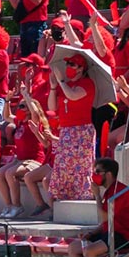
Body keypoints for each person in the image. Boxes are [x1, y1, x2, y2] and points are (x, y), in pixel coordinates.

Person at [47, 54, 96, 202]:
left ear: (81, 69)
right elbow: (52, 106)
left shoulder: (87, 83)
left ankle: (84, 194)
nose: (69, 67)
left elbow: (73, 96)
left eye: (73, 65)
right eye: (68, 64)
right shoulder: (65, 85)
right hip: (66, 130)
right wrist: (53, 87)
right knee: (63, 164)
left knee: (81, 164)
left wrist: (62, 81)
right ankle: (65, 194)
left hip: (82, 129)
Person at [0, 100, 47, 219]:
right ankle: (9, 205)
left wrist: (27, 97)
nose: (20, 108)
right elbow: (7, 116)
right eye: (19, 105)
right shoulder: (19, 122)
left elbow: (36, 113)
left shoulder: (33, 122)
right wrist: (7, 101)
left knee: (10, 173)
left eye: (23, 106)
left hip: (34, 160)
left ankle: (17, 206)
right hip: (19, 160)